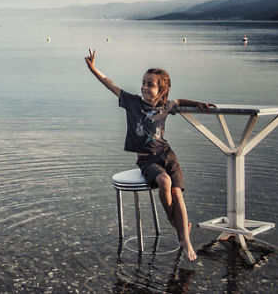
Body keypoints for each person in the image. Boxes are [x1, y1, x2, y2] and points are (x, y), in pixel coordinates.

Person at [84, 49, 214, 261]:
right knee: (163, 181)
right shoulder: (132, 102)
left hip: (167, 154)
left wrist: (197, 103)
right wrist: (94, 70)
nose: (144, 87)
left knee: (177, 192)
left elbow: (179, 101)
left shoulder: (166, 106)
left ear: (162, 90)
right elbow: (111, 84)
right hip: (146, 159)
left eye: (150, 84)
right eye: (143, 82)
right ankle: (174, 222)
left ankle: (185, 239)